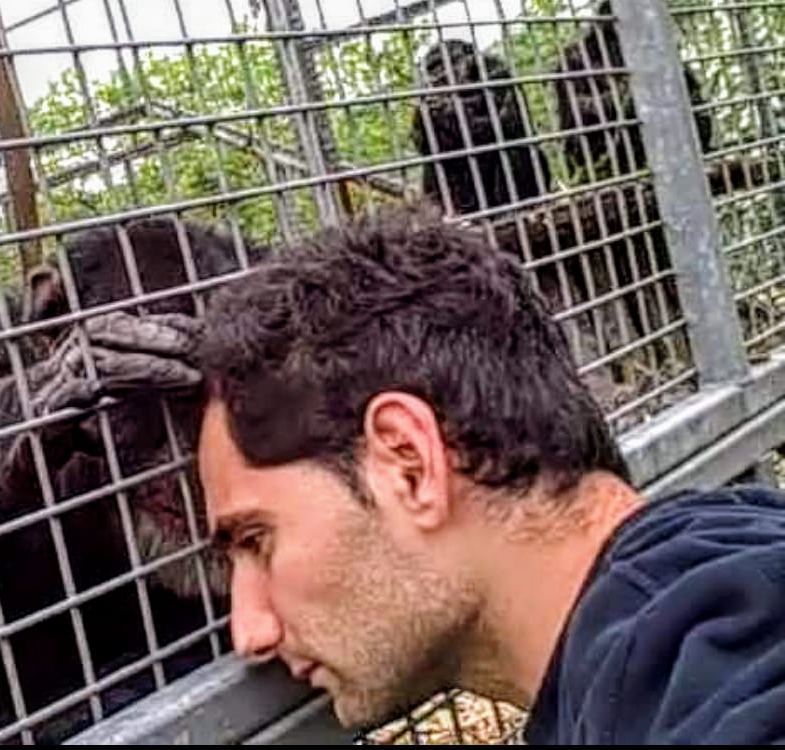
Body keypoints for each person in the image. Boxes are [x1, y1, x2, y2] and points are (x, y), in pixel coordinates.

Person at [192, 203, 785, 744]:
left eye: (257, 541)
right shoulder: (692, 597)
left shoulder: (725, 664)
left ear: (408, 462)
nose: (250, 631)